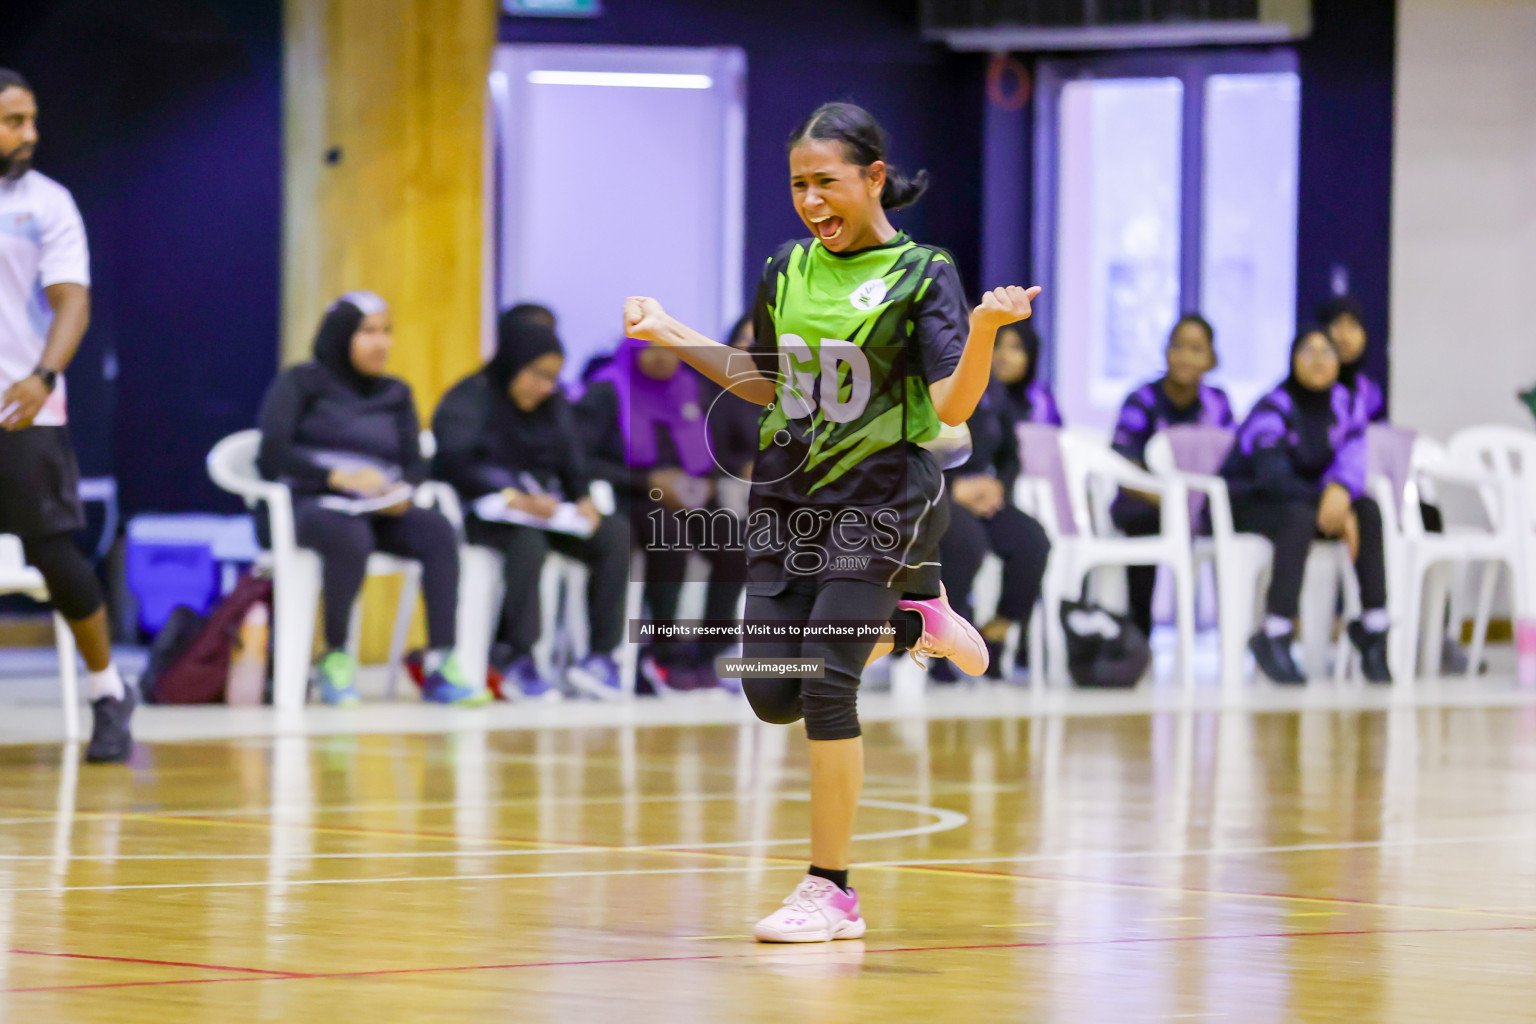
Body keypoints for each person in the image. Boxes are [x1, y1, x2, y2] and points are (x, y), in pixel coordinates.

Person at [622, 101, 1039, 942]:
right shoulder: (785, 268)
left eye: (827, 182)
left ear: (873, 178)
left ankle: (831, 890)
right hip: (787, 500)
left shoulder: (924, 273)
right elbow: (766, 379)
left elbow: (954, 404)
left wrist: (989, 327)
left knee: (824, 686)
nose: (811, 200)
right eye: (798, 185)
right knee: (770, 693)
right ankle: (917, 616)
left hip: (885, 497)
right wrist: (672, 331)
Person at [256, 291, 485, 706]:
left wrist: (402, 491)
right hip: (311, 504)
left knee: (437, 529)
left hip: (378, 508)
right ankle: (337, 657)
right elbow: (272, 452)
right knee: (349, 535)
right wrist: (336, 477)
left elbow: (416, 462)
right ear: (341, 336)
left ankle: (441, 662)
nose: (382, 343)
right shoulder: (301, 382)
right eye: (368, 332)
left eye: (386, 332)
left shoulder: (395, 393)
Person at [0, 68, 133, 762]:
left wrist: (43, 374)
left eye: (32, 120)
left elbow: (71, 301)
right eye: (12, 121)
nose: (29, 135)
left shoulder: (48, 203)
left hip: (25, 409)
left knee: (56, 556)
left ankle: (109, 693)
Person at [433, 311, 626, 699]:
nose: (544, 386)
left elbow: (575, 462)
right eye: (536, 374)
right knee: (526, 543)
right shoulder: (470, 397)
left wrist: (584, 497)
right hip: (487, 514)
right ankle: (514, 657)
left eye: (553, 378)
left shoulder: (552, 406)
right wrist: (510, 495)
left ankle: (601, 657)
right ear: (514, 363)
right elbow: (453, 462)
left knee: (615, 532)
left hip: (549, 514)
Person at [576, 337, 750, 694]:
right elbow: (582, 459)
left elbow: (713, 453)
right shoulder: (607, 391)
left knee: (733, 541)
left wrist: (708, 483)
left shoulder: (692, 390)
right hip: (632, 494)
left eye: (670, 349)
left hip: (692, 495)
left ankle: (711, 649)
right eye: (651, 350)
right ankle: (661, 650)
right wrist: (648, 480)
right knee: (667, 535)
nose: (662, 358)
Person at [1220, 327, 1392, 685]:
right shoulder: (1273, 406)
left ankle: (1374, 629)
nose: (1318, 360)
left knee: (1369, 509)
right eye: (1308, 352)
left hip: (1306, 503)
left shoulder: (1343, 404)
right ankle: (1275, 632)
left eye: (1327, 352)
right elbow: (1272, 477)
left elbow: (1353, 459)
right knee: (1299, 515)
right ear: (1292, 360)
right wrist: (1329, 504)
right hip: (1249, 501)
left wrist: (1342, 492)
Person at [1108, 314, 1234, 638]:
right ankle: (1140, 634)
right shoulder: (1142, 400)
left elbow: (1232, 460)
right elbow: (1122, 463)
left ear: (1211, 358)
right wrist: (1169, 498)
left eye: (1196, 348)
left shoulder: (1218, 404)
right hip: (1147, 502)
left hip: (1203, 506)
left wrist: (1195, 503)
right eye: (1178, 346)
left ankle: (1236, 634)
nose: (1185, 357)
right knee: (1141, 521)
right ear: (1166, 352)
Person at [935, 378, 1051, 680]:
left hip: (983, 494)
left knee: (1032, 541)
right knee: (966, 542)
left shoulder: (993, 389)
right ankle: (941, 644)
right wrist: (953, 489)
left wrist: (998, 487)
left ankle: (995, 634)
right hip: (932, 492)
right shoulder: (923, 377)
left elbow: (1010, 455)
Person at [991, 321, 1061, 427]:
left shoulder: (1042, 402)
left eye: (1015, 347)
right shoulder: (975, 401)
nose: (1003, 356)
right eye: (996, 345)